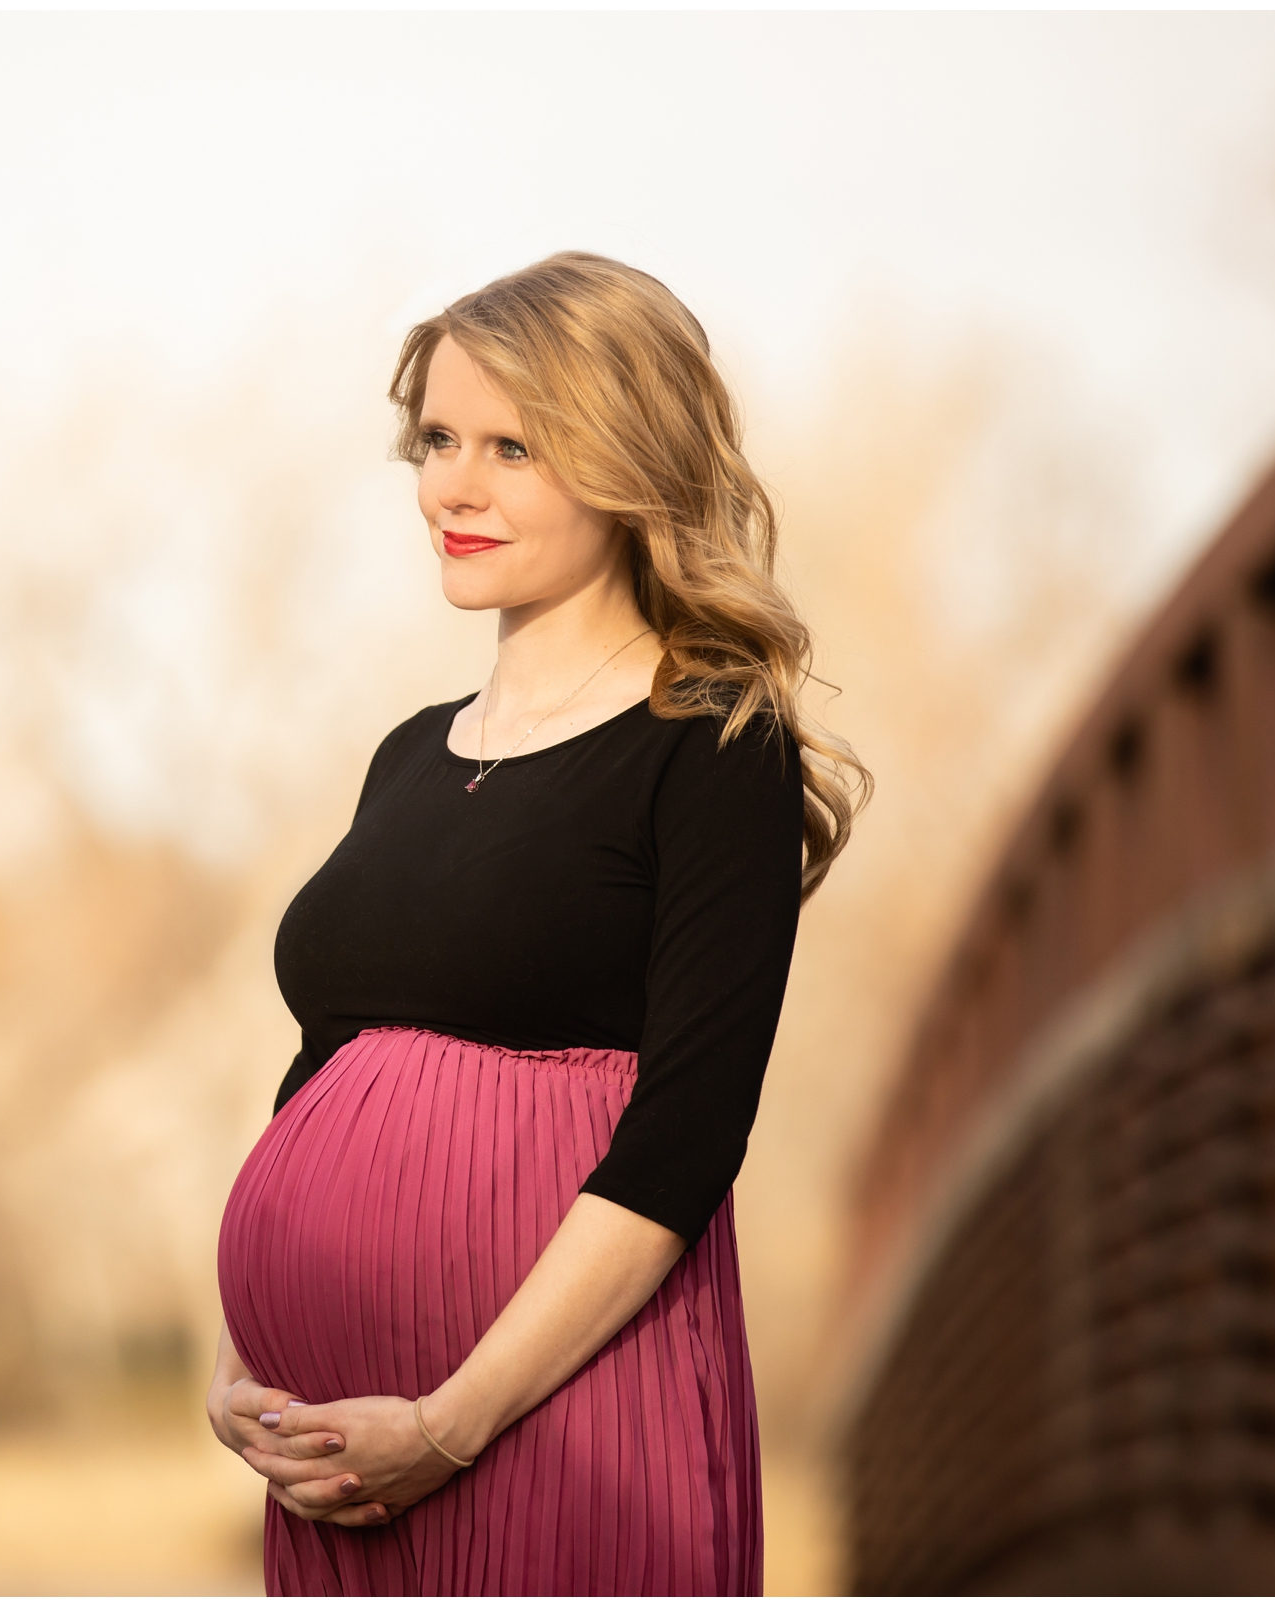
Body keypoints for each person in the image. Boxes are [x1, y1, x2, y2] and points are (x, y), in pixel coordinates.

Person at [207, 252, 870, 1595]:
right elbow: (320, 1076)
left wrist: (447, 1427)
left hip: (557, 1422)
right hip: (338, 1456)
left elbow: (690, 1133)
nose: (454, 486)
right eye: (439, 439)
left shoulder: (710, 742)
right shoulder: (407, 755)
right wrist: (243, 1368)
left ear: (630, 463)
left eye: (514, 447)